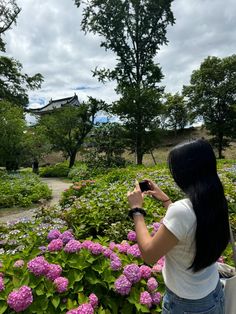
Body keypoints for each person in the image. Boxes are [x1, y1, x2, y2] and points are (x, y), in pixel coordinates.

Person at [127, 139, 229, 314]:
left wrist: (136, 210)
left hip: (185, 305)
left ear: (184, 173)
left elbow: (149, 255)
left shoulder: (182, 211)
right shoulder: (215, 199)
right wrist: (167, 200)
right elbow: (191, 224)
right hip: (212, 293)